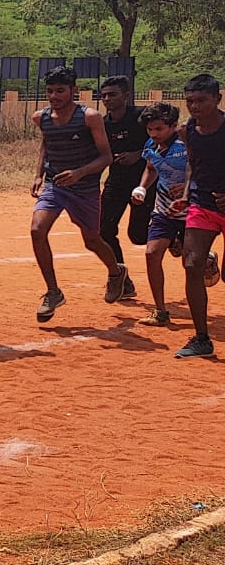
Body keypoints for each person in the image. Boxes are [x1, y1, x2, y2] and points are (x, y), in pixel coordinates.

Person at [30, 66, 123, 320]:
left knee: (91, 240)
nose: (54, 96)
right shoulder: (41, 117)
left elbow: (106, 156)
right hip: (55, 185)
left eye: (60, 91)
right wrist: (39, 174)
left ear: (74, 91)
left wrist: (80, 173)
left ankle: (115, 272)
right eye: (50, 91)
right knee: (37, 230)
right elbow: (46, 144)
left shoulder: (89, 117)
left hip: (84, 188)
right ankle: (53, 291)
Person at [176, 73, 225, 359]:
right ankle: (201, 338)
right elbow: (194, 164)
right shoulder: (188, 130)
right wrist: (185, 194)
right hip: (202, 204)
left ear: (217, 99)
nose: (195, 106)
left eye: (201, 100)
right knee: (192, 264)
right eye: (190, 101)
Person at [130, 102, 189, 327]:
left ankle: (206, 259)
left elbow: (204, 169)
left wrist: (186, 186)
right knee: (152, 254)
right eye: (150, 130)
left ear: (173, 126)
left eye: (159, 129)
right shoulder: (152, 145)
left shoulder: (187, 144)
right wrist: (142, 187)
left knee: (191, 263)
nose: (154, 134)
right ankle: (160, 311)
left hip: (192, 210)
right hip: (164, 210)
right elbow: (151, 167)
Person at [95, 76, 148, 295]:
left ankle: (178, 239)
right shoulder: (102, 124)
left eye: (113, 94)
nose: (107, 99)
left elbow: (164, 140)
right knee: (103, 230)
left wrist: (139, 155)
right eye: (104, 95)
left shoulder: (141, 117)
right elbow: (98, 155)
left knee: (138, 236)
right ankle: (121, 279)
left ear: (126, 95)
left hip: (145, 183)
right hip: (116, 182)